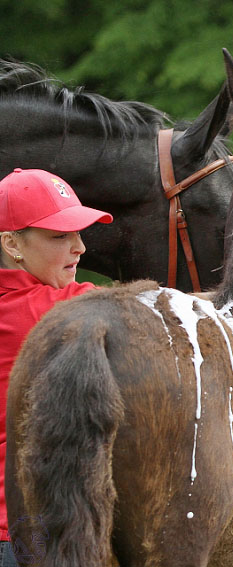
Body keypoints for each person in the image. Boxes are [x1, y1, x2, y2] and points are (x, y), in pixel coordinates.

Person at [0, 168, 112, 567]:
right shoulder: (49, 311)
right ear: (13, 243)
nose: (79, 247)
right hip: (27, 541)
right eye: (59, 236)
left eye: (79, 233)